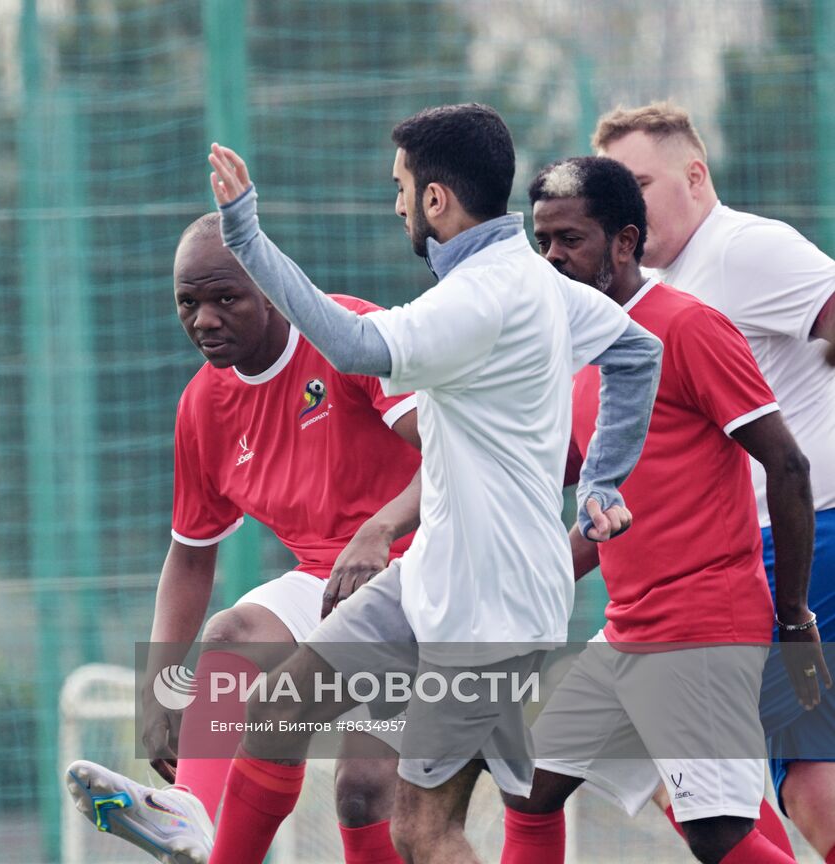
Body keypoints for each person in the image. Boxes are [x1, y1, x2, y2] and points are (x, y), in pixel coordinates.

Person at [170, 103, 662, 864]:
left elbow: (354, 342)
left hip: (490, 604)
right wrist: (602, 478)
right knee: (278, 705)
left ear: (436, 200)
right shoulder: (525, 279)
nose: (395, 203)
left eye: (400, 188)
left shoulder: (477, 299)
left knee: (422, 829)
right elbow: (637, 353)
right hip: (432, 575)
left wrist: (248, 238)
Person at [64, 211, 424, 864]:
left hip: (432, 571)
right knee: (233, 639)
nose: (204, 319)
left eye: (224, 297)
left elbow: (458, 454)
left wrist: (381, 529)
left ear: (272, 288)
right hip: (328, 583)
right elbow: (191, 555)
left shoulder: (345, 334)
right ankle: (190, 816)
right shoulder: (203, 406)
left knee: (362, 788)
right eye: (188, 303)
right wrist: (158, 687)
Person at [499, 154, 826, 864]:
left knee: (718, 833)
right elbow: (602, 499)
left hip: (703, 628)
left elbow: (788, 464)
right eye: (542, 240)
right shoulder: (581, 348)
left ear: (623, 241)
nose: (552, 256)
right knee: (529, 786)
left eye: (571, 239)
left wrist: (794, 617)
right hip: (630, 632)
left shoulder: (686, 327)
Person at [597, 102, 835, 859]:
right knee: (792, 790)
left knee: (792, 783)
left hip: (808, 539)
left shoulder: (741, 249)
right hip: (751, 557)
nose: (626, 206)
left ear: (695, 176)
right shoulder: (650, 302)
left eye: (641, 182)